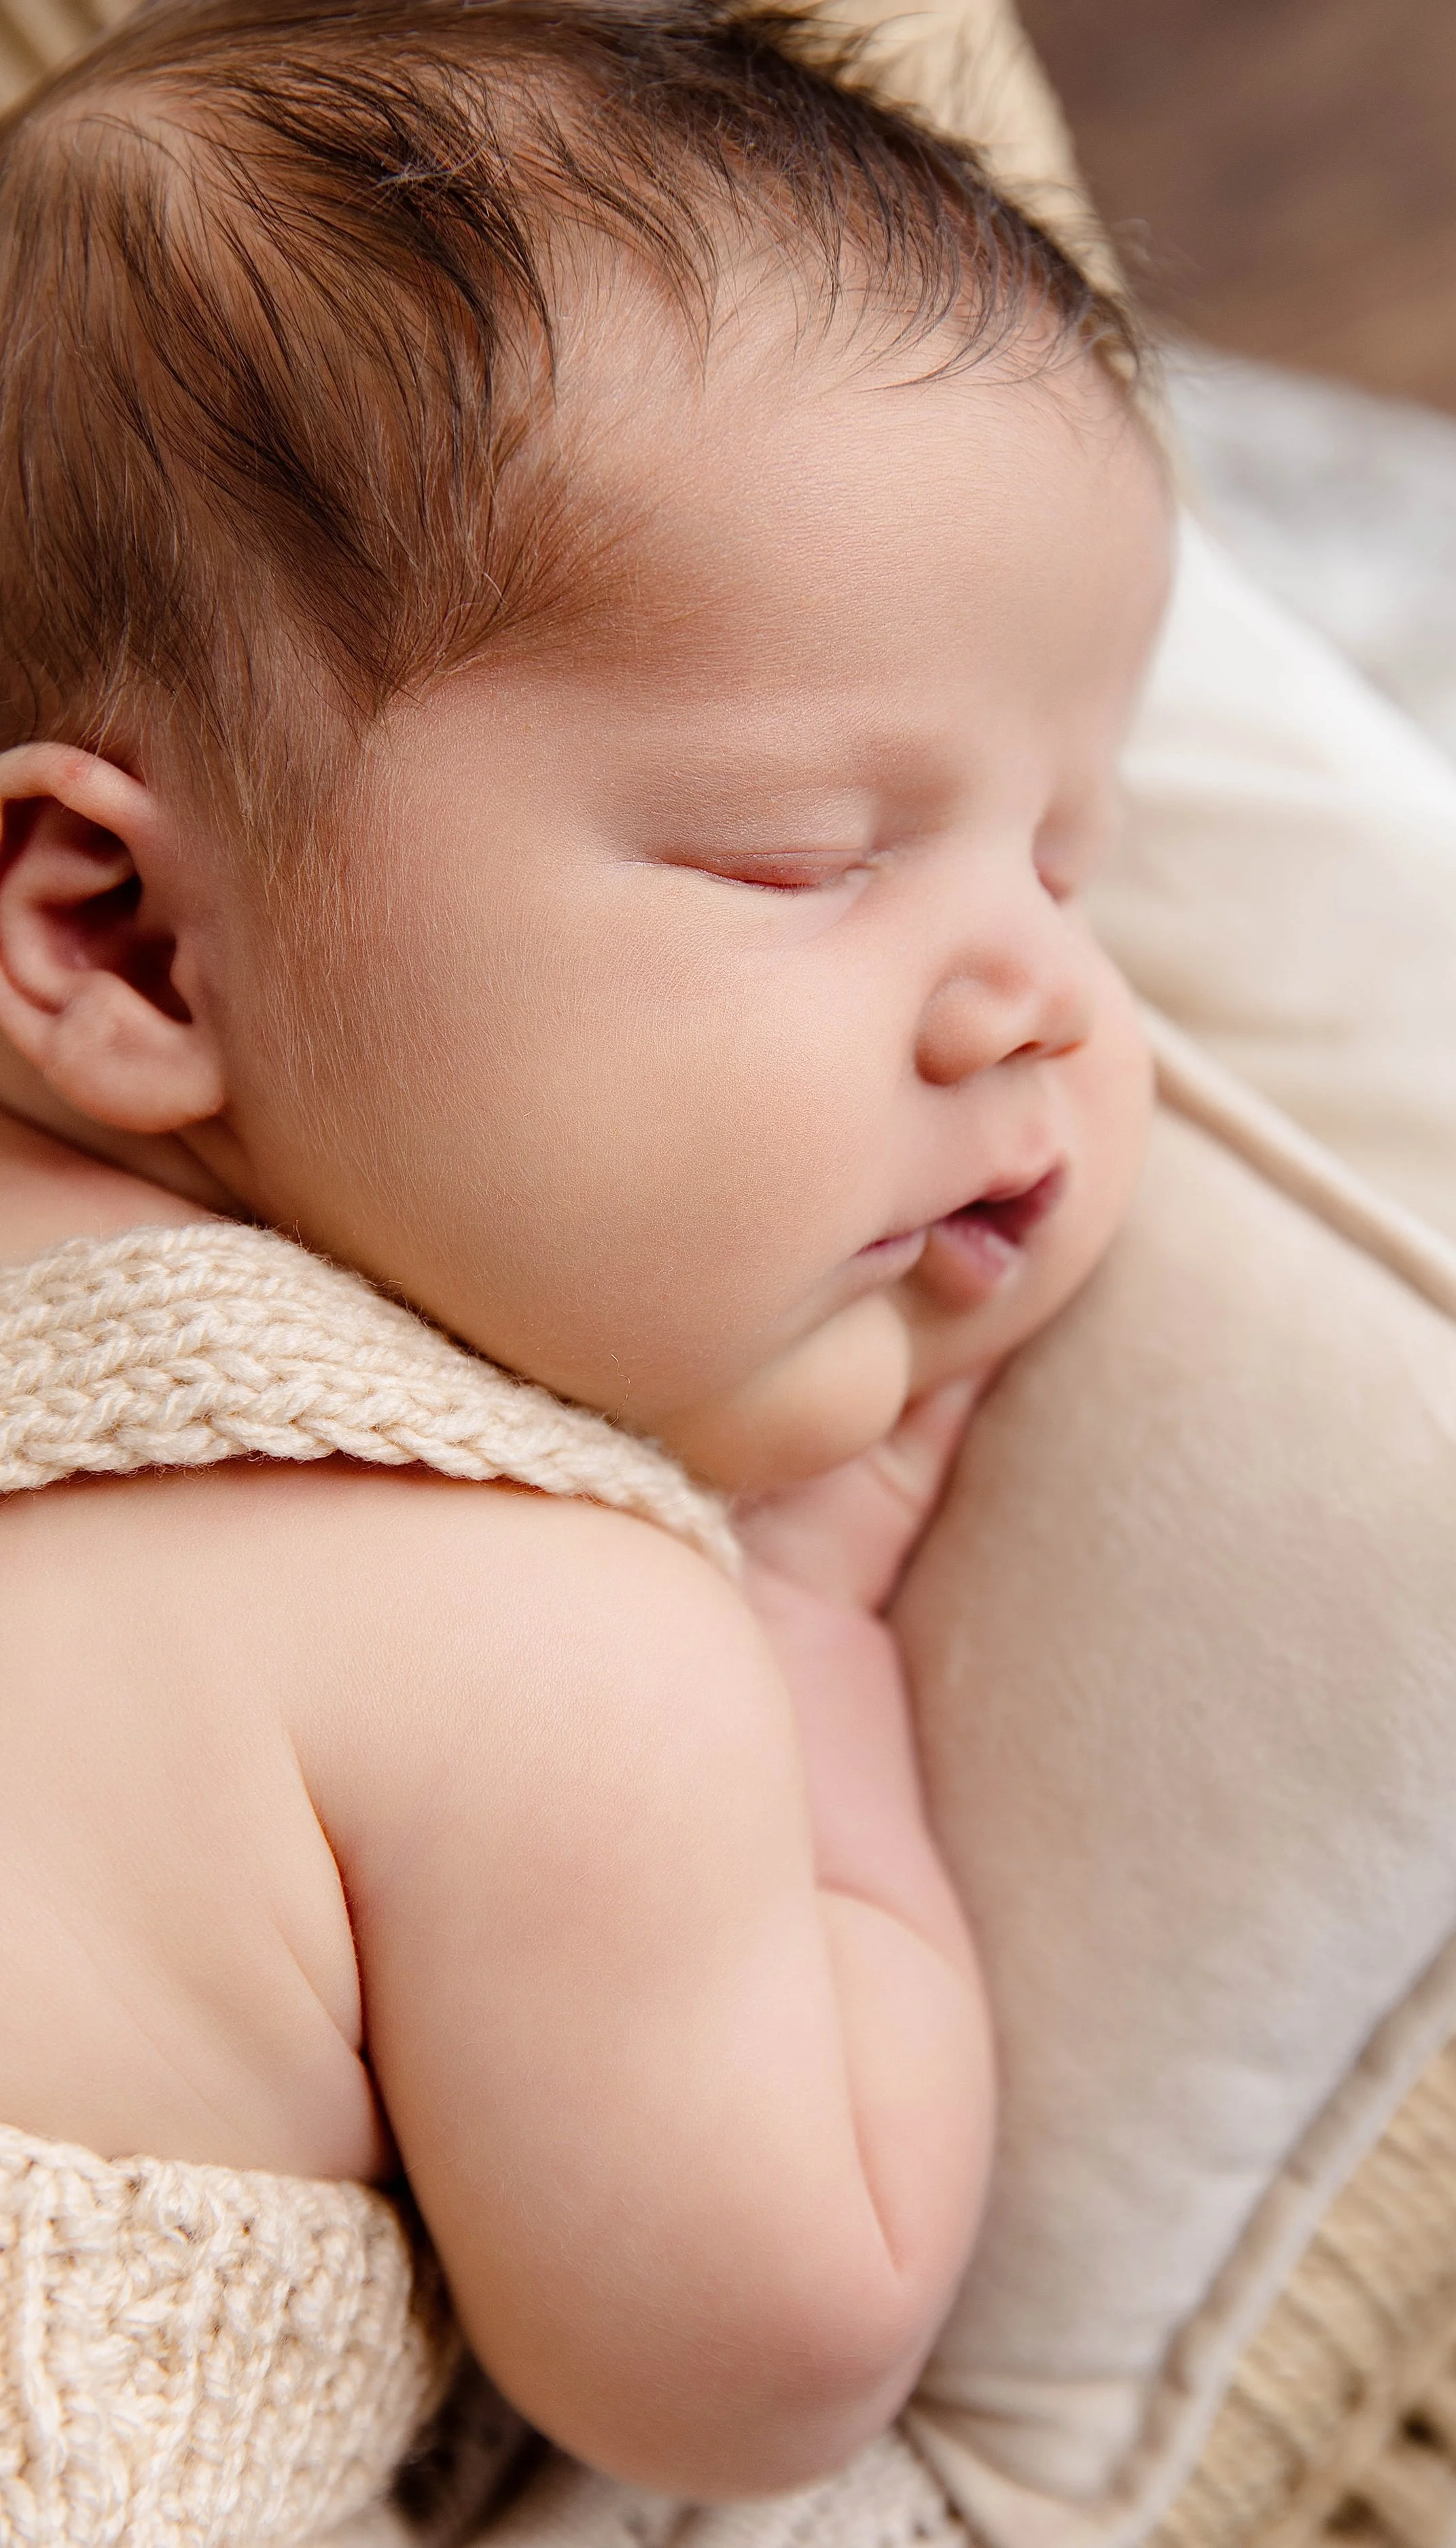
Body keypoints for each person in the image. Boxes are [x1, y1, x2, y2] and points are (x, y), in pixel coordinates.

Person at [0, 0, 1170, 2499]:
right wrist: (810, 1626)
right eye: (797, 852)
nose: (1041, 995)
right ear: (120, 939)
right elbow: (761, 2350)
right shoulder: (533, 1630)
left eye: (1069, 859)